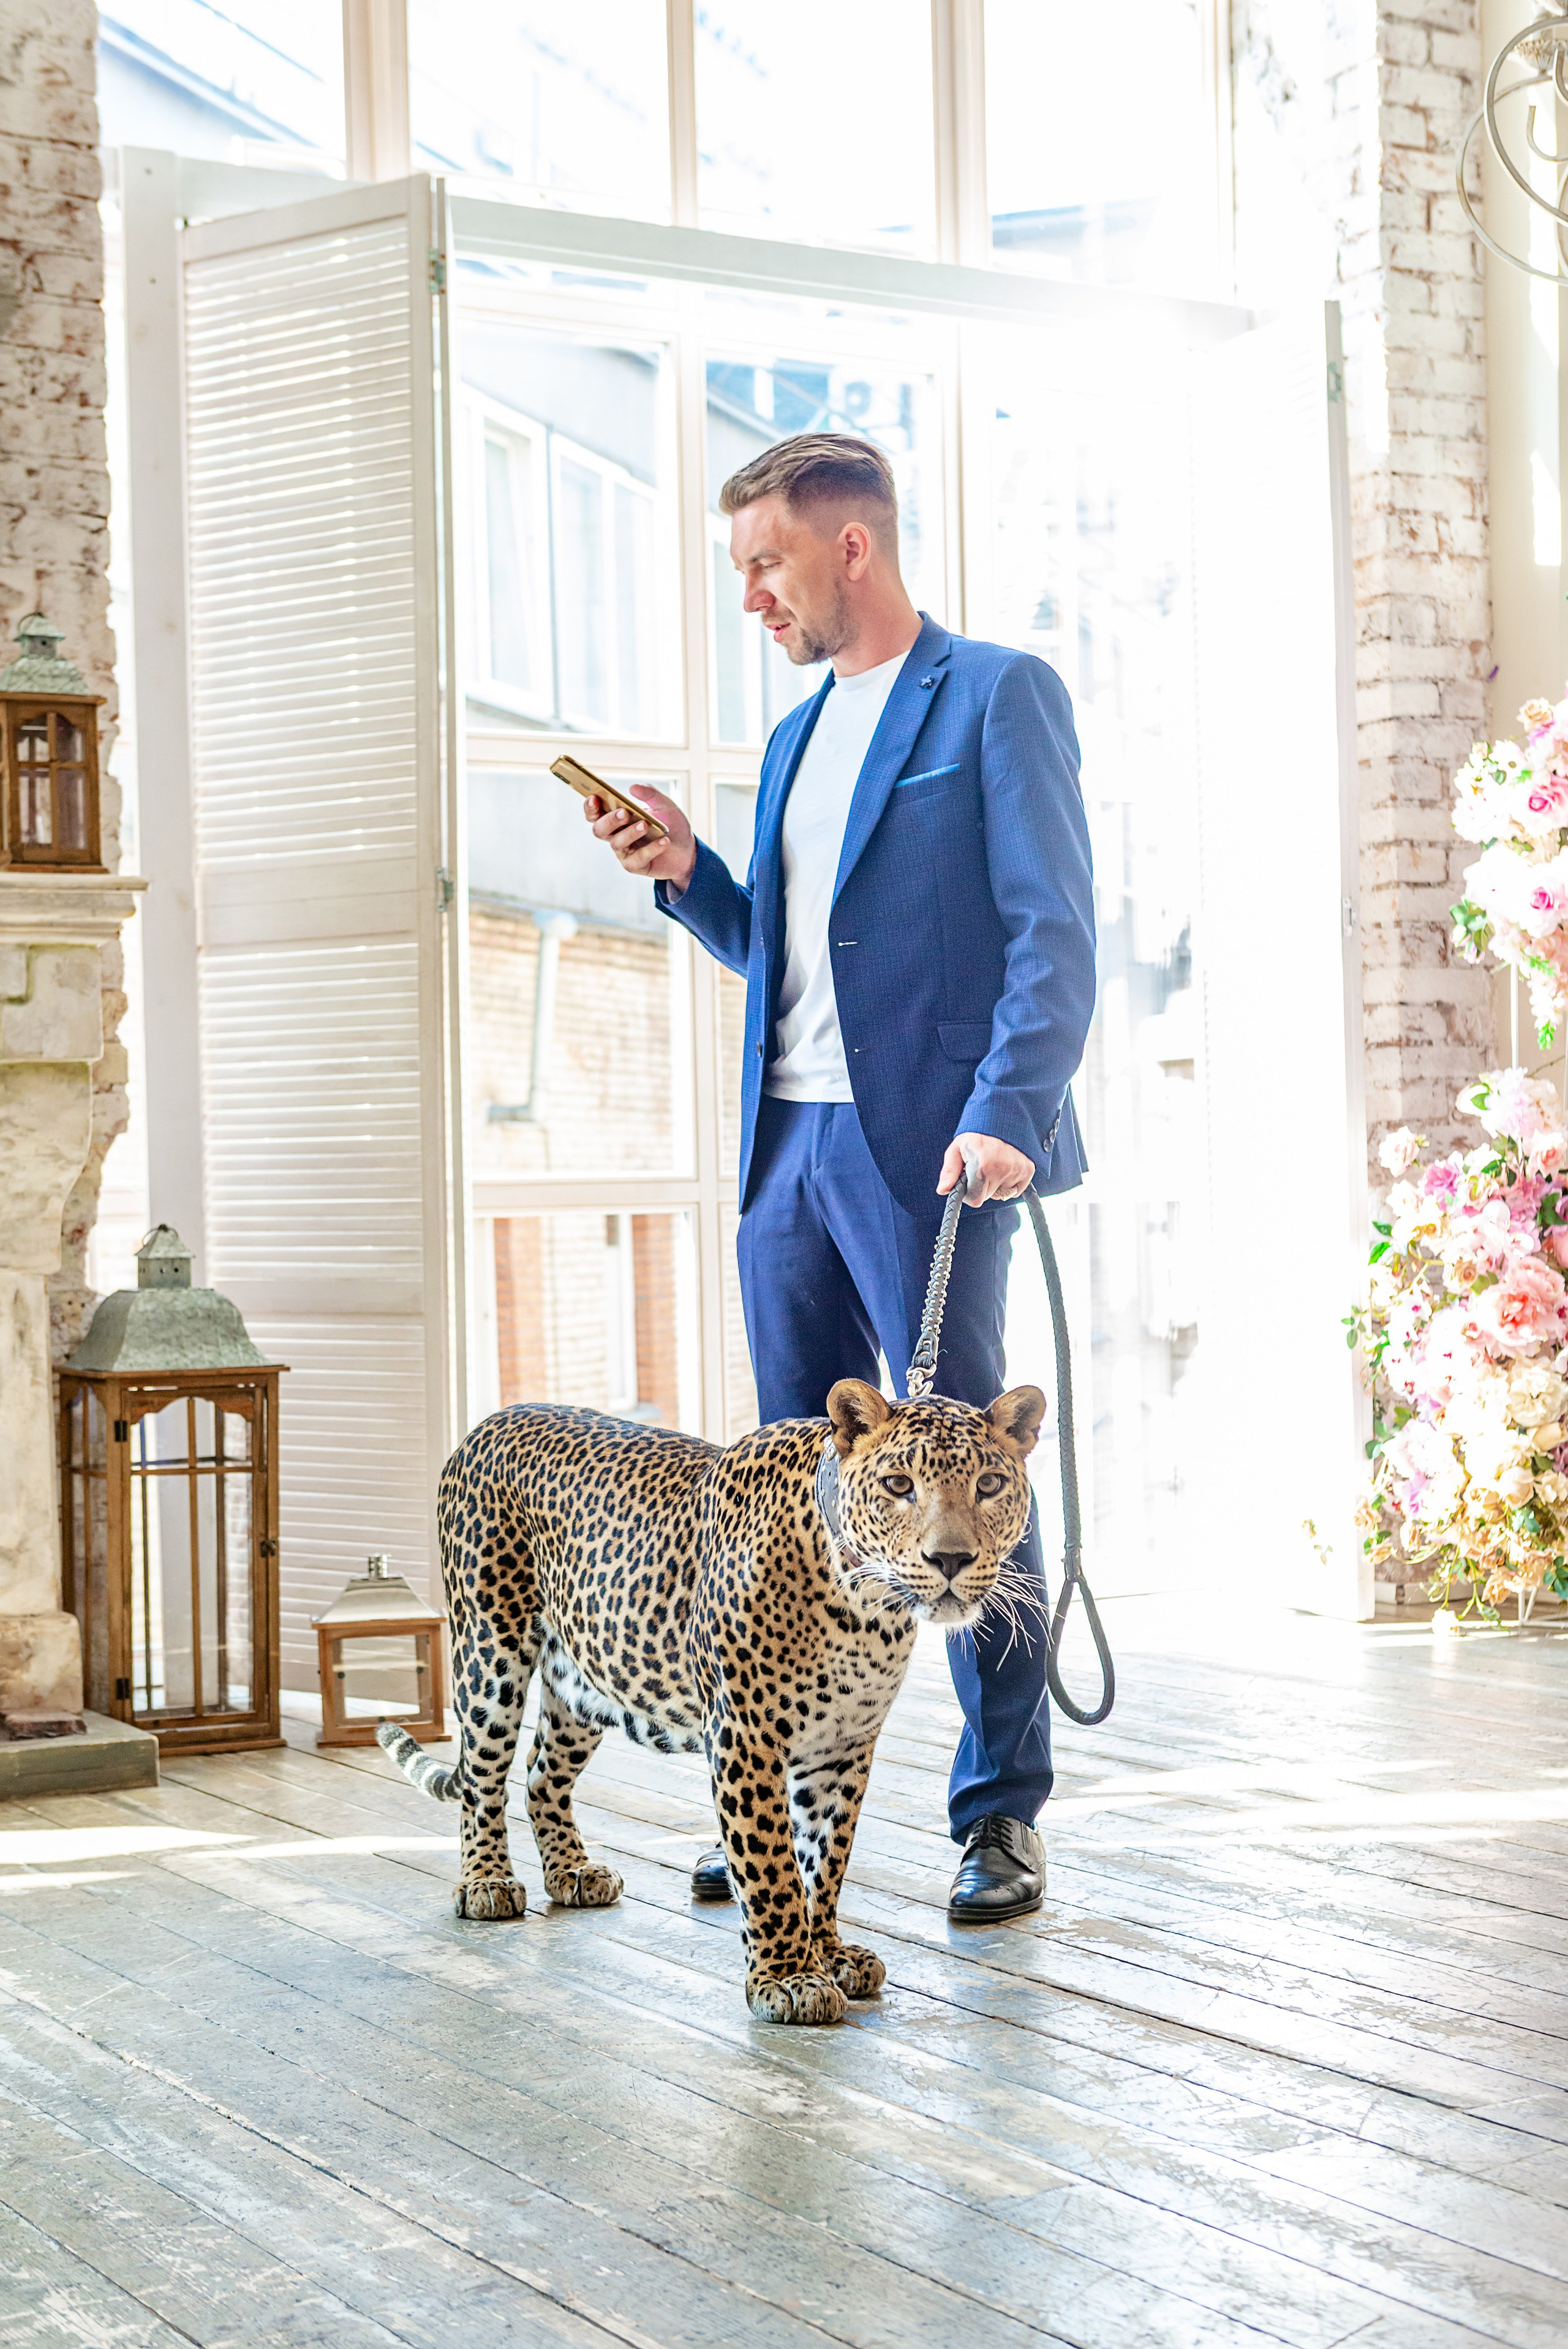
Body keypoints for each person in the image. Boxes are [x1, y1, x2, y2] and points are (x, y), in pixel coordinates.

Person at [582, 431, 1095, 1922]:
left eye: (764, 563)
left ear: (849, 547)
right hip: (785, 1156)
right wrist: (690, 876)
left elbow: (1051, 931)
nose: (751, 595)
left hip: (936, 1158)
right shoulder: (798, 736)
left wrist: (1009, 1108)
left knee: (963, 1483)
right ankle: (777, 1817)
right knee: (798, 1503)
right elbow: (789, 961)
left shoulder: (997, 694)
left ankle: (998, 1812)